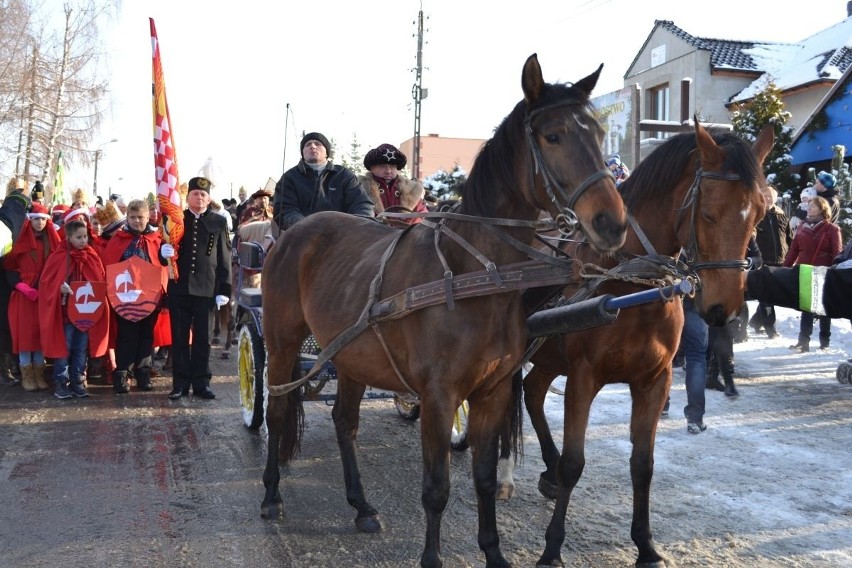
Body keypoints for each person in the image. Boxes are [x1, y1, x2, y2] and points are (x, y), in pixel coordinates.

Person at [166, 176, 232, 400]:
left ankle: (202, 383)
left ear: (209, 198)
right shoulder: (175, 220)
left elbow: (224, 257)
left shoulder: (218, 222)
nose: (200, 197)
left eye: (204, 194)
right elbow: (163, 251)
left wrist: (224, 289)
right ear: (187, 197)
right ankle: (180, 384)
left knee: (203, 339)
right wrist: (161, 252)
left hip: (206, 289)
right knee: (180, 338)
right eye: (196, 193)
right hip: (179, 288)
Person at [101, 199, 170, 393]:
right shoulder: (119, 239)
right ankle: (123, 374)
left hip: (150, 297)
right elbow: (110, 265)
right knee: (127, 336)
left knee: (146, 336)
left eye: (140, 217)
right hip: (125, 298)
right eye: (133, 217)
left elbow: (163, 267)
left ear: (148, 217)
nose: (137, 221)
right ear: (127, 218)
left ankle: (143, 373)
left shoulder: (156, 239)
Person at [39, 219, 109, 399]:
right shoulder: (59, 256)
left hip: (85, 314)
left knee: (81, 348)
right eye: (79, 237)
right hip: (65, 314)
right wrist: (59, 288)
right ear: (68, 237)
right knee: (65, 347)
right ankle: (61, 382)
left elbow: (99, 279)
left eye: (85, 236)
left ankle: (78, 380)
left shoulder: (91, 255)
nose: (83, 240)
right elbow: (47, 283)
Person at [4, 203, 60, 391]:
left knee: (39, 336)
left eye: (43, 219)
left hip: (43, 295)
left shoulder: (51, 242)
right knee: (25, 336)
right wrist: (21, 286)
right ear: (30, 220)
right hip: (23, 296)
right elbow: (10, 267)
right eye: (36, 218)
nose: (40, 223)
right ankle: (27, 376)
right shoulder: (19, 241)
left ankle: (39, 374)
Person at [272, 132, 374, 230]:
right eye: (307, 145)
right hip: (302, 237)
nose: (312, 146)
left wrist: (358, 225)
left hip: (343, 236)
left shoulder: (344, 175)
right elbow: (284, 210)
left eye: (318, 144)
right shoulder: (289, 178)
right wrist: (307, 227)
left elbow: (362, 204)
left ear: (326, 152)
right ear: (302, 152)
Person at [784, 195, 842, 352]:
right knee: (807, 307)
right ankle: (803, 342)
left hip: (824, 272)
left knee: (824, 307)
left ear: (822, 208)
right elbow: (793, 251)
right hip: (804, 271)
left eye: (813, 206)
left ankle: (824, 342)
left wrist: (834, 274)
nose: (809, 208)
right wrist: (785, 268)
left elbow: (836, 254)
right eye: (808, 206)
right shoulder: (802, 227)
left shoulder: (832, 229)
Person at [706, 238, 763, 397]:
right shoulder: (712, 230)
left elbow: (758, 259)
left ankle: (715, 373)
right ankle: (712, 372)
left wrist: (746, 263)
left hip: (733, 291)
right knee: (714, 332)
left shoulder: (745, 235)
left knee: (725, 331)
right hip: (710, 289)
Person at [750, 185, 793, 338]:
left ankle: (755, 321)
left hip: (780, 261)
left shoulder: (782, 216)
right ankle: (771, 329)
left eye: (770, 196)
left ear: (775, 198)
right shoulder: (756, 215)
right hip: (763, 261)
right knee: (767, 295)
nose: (768, 198)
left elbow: (789, 238)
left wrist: (791, 258)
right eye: (765, 195)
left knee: (770, 295)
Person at [359, 143, 427, 224]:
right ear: (372, 168)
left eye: (392, 166)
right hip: (372, 234)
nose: (388, 171)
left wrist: (406, 227)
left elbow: (421, 215)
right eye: (382, 166)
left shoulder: (413, 190)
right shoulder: (359, 187)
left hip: (404, 235)